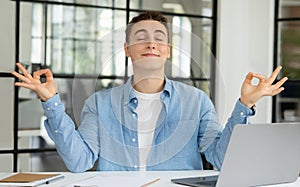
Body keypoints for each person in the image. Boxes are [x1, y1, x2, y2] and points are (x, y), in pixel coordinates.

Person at [12, 11, 288, 173]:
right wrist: (51, 101)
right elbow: (79, 162)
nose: (150, 44)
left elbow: (219, 158)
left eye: (159, 38)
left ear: (167, 51)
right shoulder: (100, 103)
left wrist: (245, 104)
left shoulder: (196, 101)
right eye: (140, 37)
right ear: (127, 50)